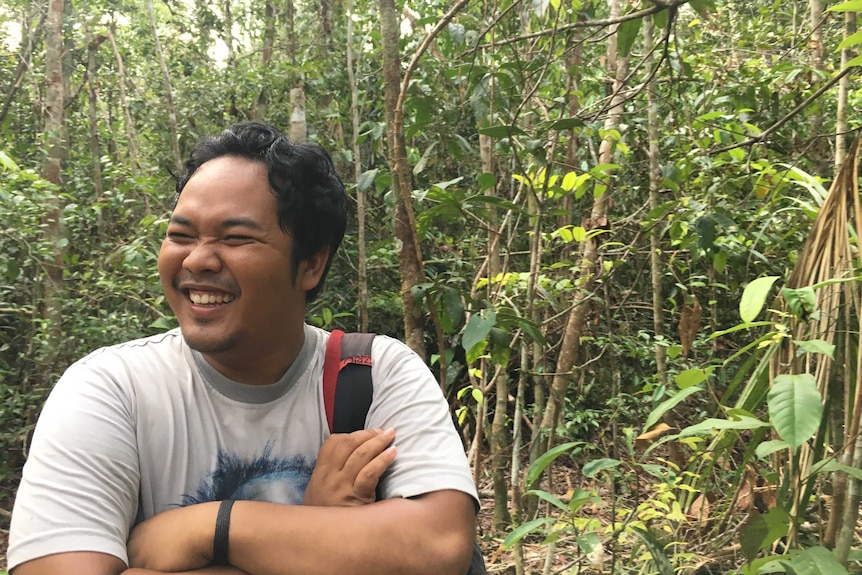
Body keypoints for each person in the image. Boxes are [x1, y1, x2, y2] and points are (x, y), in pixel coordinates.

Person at [8, 122, 479, 575]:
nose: (197, 259)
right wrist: (319, 540)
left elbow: (439, 548)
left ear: (310, 265)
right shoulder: (111, 390)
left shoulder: (376, 372)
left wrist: (207, 529)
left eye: (235, 238)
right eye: (180, 235)